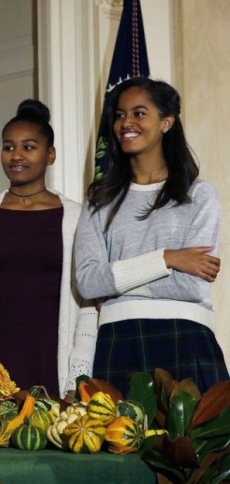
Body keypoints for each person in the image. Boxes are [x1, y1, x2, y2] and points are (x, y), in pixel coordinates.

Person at [74, 77, 228, 396]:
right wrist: (167, 258)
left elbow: (191, 284)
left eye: (139, 113)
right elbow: (88, 282)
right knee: (118, 445)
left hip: (186, 338)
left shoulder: (198, 194)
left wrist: (116, 285)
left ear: (166, 122)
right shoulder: (99, 200)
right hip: (118, 341)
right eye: (119, 115)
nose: (126, 122)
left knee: (197, 447)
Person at [0, 100, 97, 398]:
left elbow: (89, 309)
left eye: (29, 147)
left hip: (52, 354)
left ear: (50, 155)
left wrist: (78, 380)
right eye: (8, 147)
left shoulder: (79, 218)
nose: (16, 155)